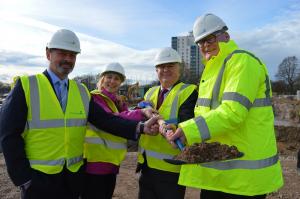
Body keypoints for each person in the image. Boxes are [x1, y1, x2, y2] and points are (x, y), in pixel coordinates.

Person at [0, 29, 159, 199]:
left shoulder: (81, 91)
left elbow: (106, 120)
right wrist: (23, 178)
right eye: (62, 53)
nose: (68, 59)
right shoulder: (27, 86)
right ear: (48, 54)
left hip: (72, 178)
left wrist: (140, 127)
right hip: (39, 179)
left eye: (73, 55)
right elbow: (8, 134)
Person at [165, 13, 284, 199]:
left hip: (244, 177)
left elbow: (232, 112)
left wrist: (188, 129)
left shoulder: (242, 62)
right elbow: (208, 115)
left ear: (225, 36)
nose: (205, 45)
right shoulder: (212, 70)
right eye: (201, 42)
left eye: (210, 39)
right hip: (220, 173)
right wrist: (184, 129)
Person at [82, 62, 156, 199]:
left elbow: (125, 116)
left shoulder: (115, 102)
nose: (112, 81)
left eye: (117, 79)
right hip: (95, 162)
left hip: (111, 163)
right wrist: (141, 112)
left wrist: (139, 109)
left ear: (121, 82)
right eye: (109, 77)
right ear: (102, 79)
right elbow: (111, 119)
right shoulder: (95, 98)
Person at [137, 47, 198, 199]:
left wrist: (175, 129)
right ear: (156, 70)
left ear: (179, 68)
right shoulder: (150, 92)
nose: (165, 70)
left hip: (171, 167)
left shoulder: (189, 91)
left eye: (170, 66)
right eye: (161, 66)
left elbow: (188, 122)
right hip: (146, 164)